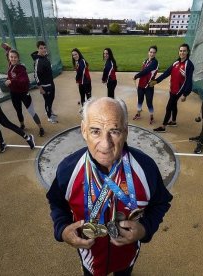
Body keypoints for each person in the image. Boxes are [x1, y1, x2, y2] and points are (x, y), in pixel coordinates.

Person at [46, 97, 173, 276]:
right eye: (95, 131)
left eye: (114, 131)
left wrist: (144, 229)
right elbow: (56, 203)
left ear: (126, 131)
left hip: (127, 257)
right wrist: (62, 230)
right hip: (90, 258)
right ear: (83, 130)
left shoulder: (146, 168)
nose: (105, 144)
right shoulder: (68, 169)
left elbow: (161, 203)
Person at [151, 43, 194, 133]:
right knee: (174, 105)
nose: (182, 52)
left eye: (184, 51)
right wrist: (156, 81)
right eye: (180, 51)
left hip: (178, 91)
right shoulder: (176, 62)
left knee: (169, 107)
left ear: (187, 52)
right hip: (172, 89)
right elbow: (166, 73)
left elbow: (189, 80)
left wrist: (185, 94)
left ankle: (163, 126)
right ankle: (173, 121)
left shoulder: (189, 65)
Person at [4, 49, 45, 137]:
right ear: (8, 57)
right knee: (18, 111)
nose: (13, 59)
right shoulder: (10, 65)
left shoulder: (21, 68)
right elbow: (10, 74)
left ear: (18, 58)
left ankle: (41, 128)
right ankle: (22, 124)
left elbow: (24, 81)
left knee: (31, 111)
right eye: (11, 57)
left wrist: (11, 81)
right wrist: (7, 49)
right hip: (14, 93)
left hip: (23, 93)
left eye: (15, 57)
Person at [32, 41, 58, 124]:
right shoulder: (37, 61)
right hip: (44, 86)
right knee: (48, 101)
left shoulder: (46, 57)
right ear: (38, 49)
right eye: (41, 48)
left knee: (52, 98)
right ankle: (49, 117)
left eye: (44, 48)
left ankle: (49, 110)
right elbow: (36, 75)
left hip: (51, 83)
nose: (43, 50)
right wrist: (40, 88)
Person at [133, 46, 159, 125]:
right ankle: (138, 113)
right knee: (140, 100)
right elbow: (143, 71)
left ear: (155, 54)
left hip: (149, 86)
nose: (152, 54)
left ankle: (151, 116)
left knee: (149, 102)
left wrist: (136, 76)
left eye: (154, 52)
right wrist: (138, 76)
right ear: (148, 52)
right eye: (151, 52)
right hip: (141, 85)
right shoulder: (145, 61)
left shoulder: (155, 62)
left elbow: (146, 71)